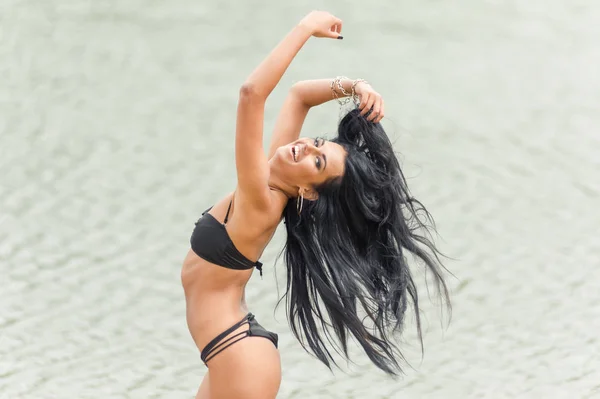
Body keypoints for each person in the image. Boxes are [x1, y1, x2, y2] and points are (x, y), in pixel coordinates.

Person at [181, 10, 450, 399]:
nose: (306, 147)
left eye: (317, 162)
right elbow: (299, 95)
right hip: (228, 353)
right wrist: (356, 86)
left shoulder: (262, 198)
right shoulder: (275, 176)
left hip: (238, 355)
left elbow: (251, 95)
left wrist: (305, 28)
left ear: (308, 192)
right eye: (319, 144)